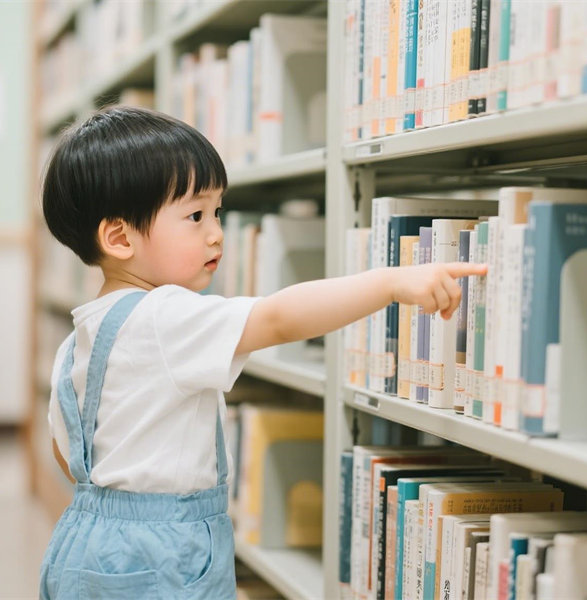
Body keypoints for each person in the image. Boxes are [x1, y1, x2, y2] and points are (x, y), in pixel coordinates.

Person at [38, 106, 487, 599]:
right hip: (162, 555)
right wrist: (390, 282)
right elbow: (278, 317)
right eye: (194, 215)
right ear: (120, 237)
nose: (215, 233)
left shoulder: (74, 342)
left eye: (217, 212)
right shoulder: (166, 315)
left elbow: (70, 457)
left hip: (84, 543)